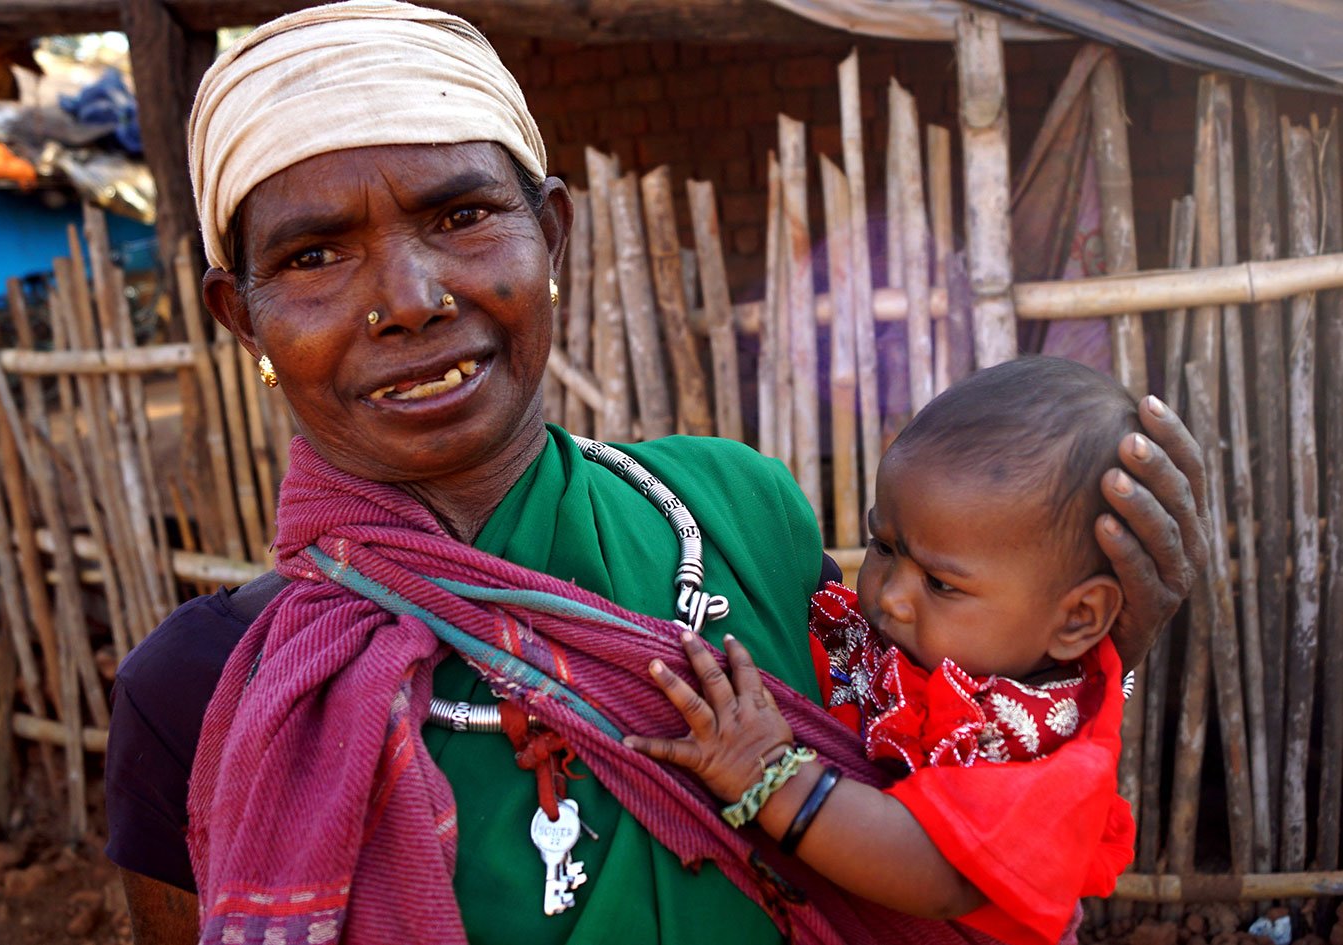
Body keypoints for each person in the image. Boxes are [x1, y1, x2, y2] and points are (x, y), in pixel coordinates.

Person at [102, 3, 1208, 943]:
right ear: (236, 314)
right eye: (314, 254)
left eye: (463, 214)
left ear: (552, 236)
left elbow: (958, 818)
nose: (409, 296)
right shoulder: (207, 695)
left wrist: (1084, 669)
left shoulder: (740, 516)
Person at [626, 357, 1148, 945]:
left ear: (1077, 618)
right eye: (884, 546)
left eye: (941, 584)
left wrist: (771, 778)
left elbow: (940, 870)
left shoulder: (1039, 750)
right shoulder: (899, 644)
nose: (892, 597)